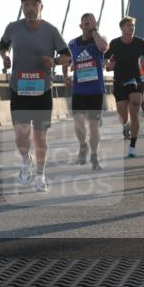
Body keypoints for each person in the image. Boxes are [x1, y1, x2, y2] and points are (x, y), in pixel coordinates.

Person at [0, 0, 70, 192]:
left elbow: (67, 56)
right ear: (22, 7)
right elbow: (2, 45)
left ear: (41, 7)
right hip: (19, 89)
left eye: (33, 4)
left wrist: (54, 61)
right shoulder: (13, 28)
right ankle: (25, 160)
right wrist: (5, 56)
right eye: (26, 5)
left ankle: (40, 175)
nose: (30, 8)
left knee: (40, 137)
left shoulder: (51, 30)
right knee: (21, 135)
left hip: (42, 90)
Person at [63, 12, 108, 171]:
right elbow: (66, 61)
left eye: (91, 23)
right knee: (78, 123)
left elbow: (103, 47)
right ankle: (83, 145)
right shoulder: (73, 44)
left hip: (95, 90)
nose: (89, 26)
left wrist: (95, 31)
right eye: (86, 24)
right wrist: (65, 76)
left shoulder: (99, 40)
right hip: (79, 90)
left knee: (94, 127)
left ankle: (94, 156)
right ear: (80, 26)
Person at [104, 17, 144, 158]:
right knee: (123, 116)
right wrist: (108, 64)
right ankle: (126, 125)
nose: (131, 28)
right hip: (119, 81)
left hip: (135, 80)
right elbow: (105, 58)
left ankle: (132, 146)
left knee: (135, 107)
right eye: (128, 25)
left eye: (132, 25)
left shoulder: (140, 42)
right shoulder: (114, 43)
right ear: (122, 28)